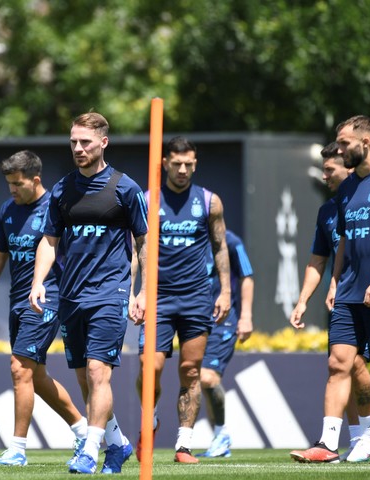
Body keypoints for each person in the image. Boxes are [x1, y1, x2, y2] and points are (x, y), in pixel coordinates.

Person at [29, 112, 149, 475]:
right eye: (73, 142)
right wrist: (38, 281)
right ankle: (118, 444)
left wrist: (141, 292)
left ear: (103, 143)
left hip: (110, 292)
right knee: (84, 377)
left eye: (85, 142)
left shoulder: (125, 188)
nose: (78, 148)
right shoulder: (62, 189)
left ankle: (90, 450)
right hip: (70, 296)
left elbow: (144, 243)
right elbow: (49, 241)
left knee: (99, 372)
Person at [290, 115, 370, 465]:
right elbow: (341, 244)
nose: (340, 149)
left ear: (365, 143)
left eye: (344, 143)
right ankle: (327, 444)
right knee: (338, 363)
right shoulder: (345, 190)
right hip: (348, 294)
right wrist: (334, 283)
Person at [0, 150, 88, 466]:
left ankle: (17, 449)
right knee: (36, 375)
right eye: (8, 184)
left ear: (35, 180)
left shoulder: (56, 209)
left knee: (20, 369)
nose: (12, 190)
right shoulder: (8, 209)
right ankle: (84, 431)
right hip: (17, 301)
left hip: (48, 299)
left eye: (18, 184)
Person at [134, 136, 231, 464]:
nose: (183, 170)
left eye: (189, 164)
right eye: (177, 164)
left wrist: (226, 291)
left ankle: (183, 445)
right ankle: (152, 417)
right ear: (164, 163)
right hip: (158, 298)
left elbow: (220, 247)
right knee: (150, 366)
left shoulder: (209, 201)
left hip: (196, 297)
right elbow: (138, 249)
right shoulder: (148, 200)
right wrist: (137, 292)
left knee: (191, 371)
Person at [289, 141, 370, 462]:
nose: (324, 175)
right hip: (346, 296)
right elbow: (318, 259)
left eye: (330, 169)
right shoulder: (328, 209)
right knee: (343, 363)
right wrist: (302, 301)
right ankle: (347, 440)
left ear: (349, 167)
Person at [196, 229, 254, 458]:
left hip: (224, 319)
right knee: (202, 379)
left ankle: (222, 435)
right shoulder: (192, 237)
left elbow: (247, 276)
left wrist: (246, 316)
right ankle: (219, 439)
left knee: (208, 377)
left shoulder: (231, 240)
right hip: (196, 318)